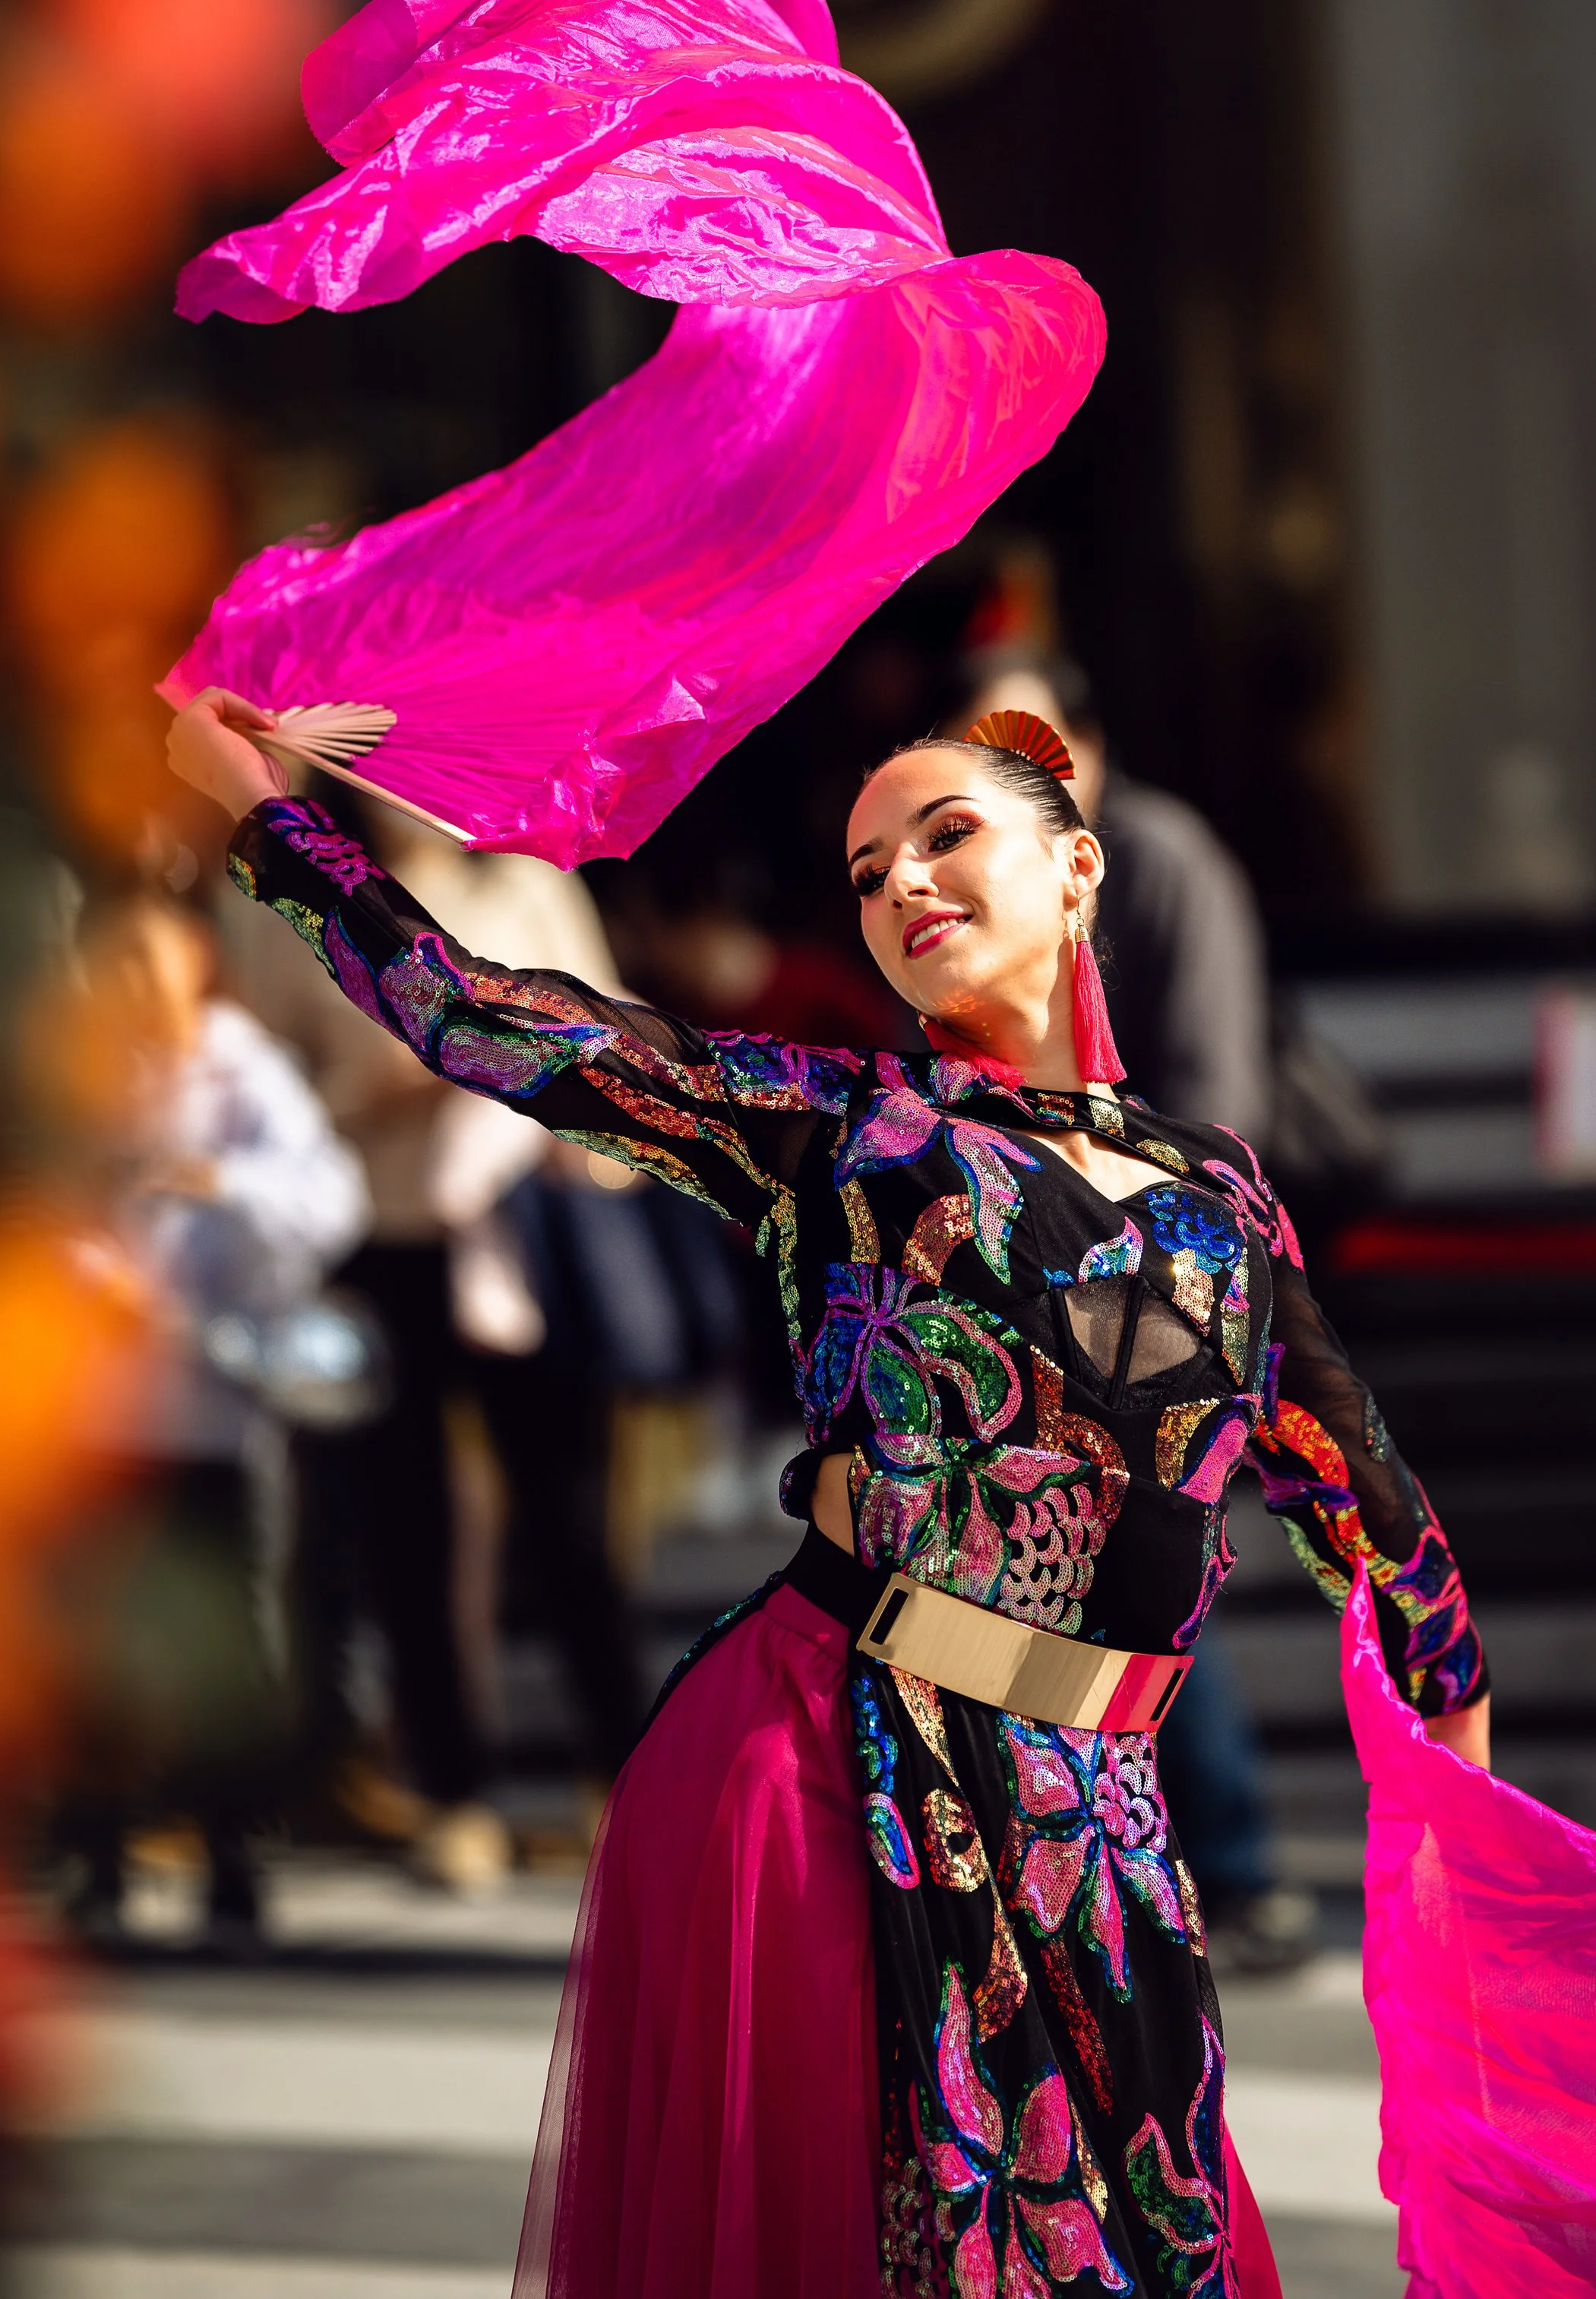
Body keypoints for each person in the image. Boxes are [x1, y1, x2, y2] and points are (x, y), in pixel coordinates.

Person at [167, 685, 1487, 2298]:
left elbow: (1379, 1524)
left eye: (945, 837)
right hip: (830, 1768)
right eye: (866, 874)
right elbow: (489, 1014)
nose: (902, 887)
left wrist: (1460, 1851)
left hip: (1100, 1823)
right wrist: (267, 818)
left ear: (1076, 870)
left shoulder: (1217, 1195)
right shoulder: (842, 1131)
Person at [957, 659, 1312, 1975]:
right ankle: (1129, 1869)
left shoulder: (1162, 863)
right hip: (1023, 1277)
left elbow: (1219, 1091)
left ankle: (1230, 1860)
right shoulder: (978, 879)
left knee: (1150, 1547)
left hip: (1159, 1271)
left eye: (1033, 742)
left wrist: (1139, 1231)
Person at [222, 802, 647, 1886]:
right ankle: (454, 1793)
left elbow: (628, 1057)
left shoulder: (526, 886)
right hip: (374, 1237)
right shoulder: (295, 902)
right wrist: (370, 1086)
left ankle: (627, 1781)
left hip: (518, 1235)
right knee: (402, 1528)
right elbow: (251, 1090)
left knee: (569, 1524)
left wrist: (533, 1088)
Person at [62, 890, 368, 1944]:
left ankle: (232, 1850)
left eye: (151, 956)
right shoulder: (87, 1072)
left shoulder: (246, 1072)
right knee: (95, 1638)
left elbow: (332, 1200)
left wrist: (220, 1181)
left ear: (196, 957)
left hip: (211, 1405)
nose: (134, 982)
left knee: (228, 1639)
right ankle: (97, 1849)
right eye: (117, 960)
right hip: (97, 1409)